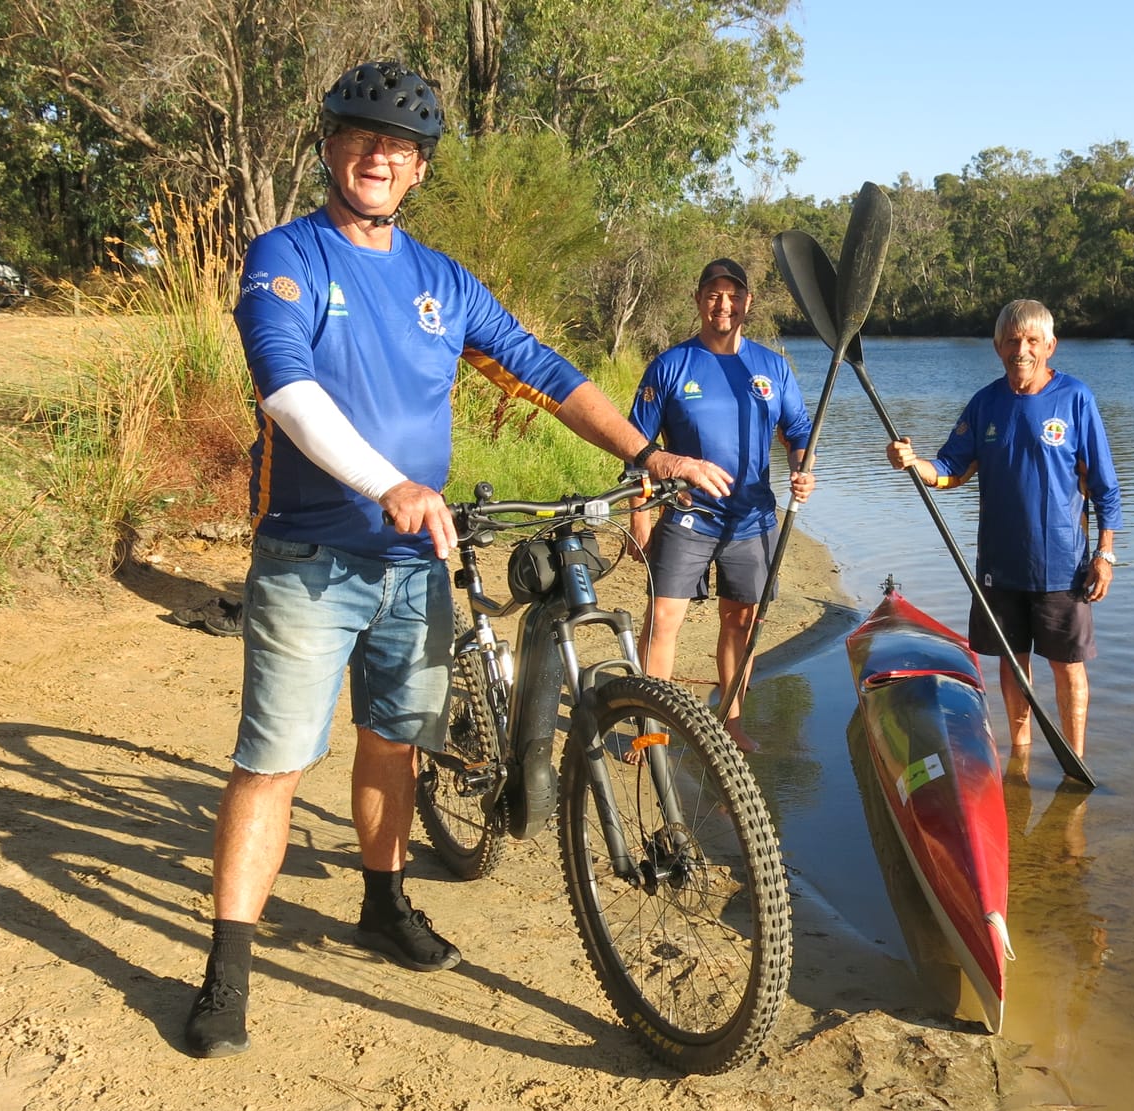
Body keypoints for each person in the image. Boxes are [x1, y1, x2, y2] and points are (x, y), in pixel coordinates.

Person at [183, 60, 731, 1060]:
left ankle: (382, 901)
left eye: (397, 146)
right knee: (272, 763)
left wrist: (646, 453)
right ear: (327, 145)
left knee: (393, 739)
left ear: (420, 168)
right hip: (313, 554)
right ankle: (226, 966)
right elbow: (286, 391)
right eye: (357, 136)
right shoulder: (286, 256)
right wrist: (382, 478)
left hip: (414, 560)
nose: (376, 156)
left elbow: (546, 373)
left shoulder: (441, 280)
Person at [886, 299, 1120, 773]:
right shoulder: (985, 403)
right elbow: (952, 468)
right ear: (997, 346)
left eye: (1032, 340)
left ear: (1049, 345)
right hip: (999, 566)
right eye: (1012, 340)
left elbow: (1105, 488)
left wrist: (1105, 555)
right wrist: (914, 463)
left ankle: (1075, 759)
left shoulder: (1076, 399)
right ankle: (1021, 758)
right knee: (1013, 665)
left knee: (1068, 668)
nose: (1022, 349)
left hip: (1063, 567)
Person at [627, 258, 814, 752]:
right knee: (664, 619)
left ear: (748, 302)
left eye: (733, 294)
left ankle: (731, 720)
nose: (723, 304)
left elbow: (797, 430)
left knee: (742, 621)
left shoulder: (772, 367)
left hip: (753, 519)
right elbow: (636, 445)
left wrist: (802, 466)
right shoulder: (671, 365)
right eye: (713, 294)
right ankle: (652, 730)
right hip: (687, 516)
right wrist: (639, 516)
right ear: (699, 301)